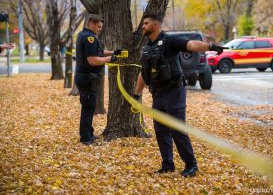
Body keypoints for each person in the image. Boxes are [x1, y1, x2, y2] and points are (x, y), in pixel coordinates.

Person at [133, 14, 226, 177]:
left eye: (146, 23)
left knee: (177, 128)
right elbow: (143, 72)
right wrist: (136, 95)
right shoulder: (147, 47)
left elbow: (191, 45)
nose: (143, 26)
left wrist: (209, 47)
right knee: (160, 130)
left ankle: (191, 165)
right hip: (158, 94)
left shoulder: (170, 41)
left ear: (155, 25)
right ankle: (168, 164)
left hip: (174, 92)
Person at [75, 14, 122, 145]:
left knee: (89, 106)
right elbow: (93, 60)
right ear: (91, 23)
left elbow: (97, 52)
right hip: (87, 78)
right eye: (99, 26)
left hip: (84, 77)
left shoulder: (83, 35)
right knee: (88, 108)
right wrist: (109, 59)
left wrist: (113, 53)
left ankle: (88, 133)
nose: (100, 29)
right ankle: (85, 137)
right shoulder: (89, 38)